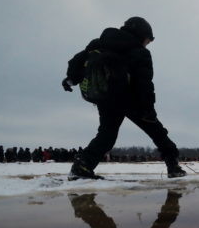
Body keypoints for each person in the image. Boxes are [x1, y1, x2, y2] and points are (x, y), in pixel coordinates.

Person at [62, 16, 186, 180]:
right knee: (157, 132)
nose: (146, 44)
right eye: (147, 41)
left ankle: (83, 165)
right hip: (131, 99)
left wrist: (71, 79)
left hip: (106, 99)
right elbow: (144, 84)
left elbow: (77, 61)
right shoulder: (140, 53)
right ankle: (173, 165)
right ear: (141, 35)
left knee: (107, 135)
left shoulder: (98, 43)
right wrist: (148, 109)